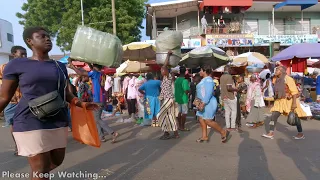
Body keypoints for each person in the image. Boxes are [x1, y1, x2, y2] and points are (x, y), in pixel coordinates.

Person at [0, 27, 99, 179]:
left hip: (57, 119)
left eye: (48, 36)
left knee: (57, 161)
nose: (47, 39)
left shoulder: (59, 66)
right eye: (42, 36)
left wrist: (81, 103)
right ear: (29, 41)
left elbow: (65, 92)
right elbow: (4, 97)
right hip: (29, 120)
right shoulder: (17, 65)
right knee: (40, 168)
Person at [69, 60, 119, 143]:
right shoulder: (101, 73)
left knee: (97, 119)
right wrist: (89, 63)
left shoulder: (95, 74)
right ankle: (101, 136)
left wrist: (71, 64)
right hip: (101, 99)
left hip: (97, 100)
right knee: (97, 118)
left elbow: (80, 73)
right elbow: (92, 70)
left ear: (95, 67)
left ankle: (112, 133)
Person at [262, 66, 306, 140]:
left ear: (282, 71)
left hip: (289, 101)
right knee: (273, 116)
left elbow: (294, 92)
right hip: (279, 102)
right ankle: (271, 132)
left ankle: (300, 133)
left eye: (277, 69)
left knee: (295, 117)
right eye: (275, 69)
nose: (275, 70)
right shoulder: (276, 79)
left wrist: (294, 104)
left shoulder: (288, 79)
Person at [0, 45, 27, 155]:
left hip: (25, 101)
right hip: (11, 102)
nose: (24, 56)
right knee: (13, 126)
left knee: (27, 124)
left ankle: (27, 145)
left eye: (25, 54)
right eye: (22, 54)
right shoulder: (4, 67)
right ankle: (18, 146)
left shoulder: (28, 67)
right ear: (13, 54)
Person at [195, 65, 231, 143]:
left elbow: (208, 93)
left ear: (205, 71)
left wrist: (203, 103)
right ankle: (204, 136)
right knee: (201, 119)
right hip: (201, 102)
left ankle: (223, 132)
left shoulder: (208, 80)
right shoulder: (204, 80)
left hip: (208, 103)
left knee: (208, 121)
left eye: (201, 70)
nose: (199, 72)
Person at [157, 51, 179, 140]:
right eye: (161, 70)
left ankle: (166, 132)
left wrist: (168, 55)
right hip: (166, 99)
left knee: (160, 115)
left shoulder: (169, 76)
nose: (161, 71)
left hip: (169, 99)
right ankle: (174, 133)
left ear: (166, 71)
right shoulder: (164, 78)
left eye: (163, 70)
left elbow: (165, 65)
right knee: (170, 116)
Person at [220, 65, 238, 131]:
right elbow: (229, 88)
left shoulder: (221, 77)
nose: (231, 70)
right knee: (233, 111)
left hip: (224, 96)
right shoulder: (229, 76)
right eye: (230, 69)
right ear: (229, 69)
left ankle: (228, 126)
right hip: (230, 96)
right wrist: (236, 90)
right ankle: (232, 126)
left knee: (227, 112)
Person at [174, 66, 190, 131]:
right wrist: (189, 91)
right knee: (184, 113)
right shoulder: (185, 80)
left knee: (179, 112)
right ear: (185, 72)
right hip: (184, 99)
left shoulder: (176, 80)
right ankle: (182, 126)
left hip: (177, 98)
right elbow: (186, 90)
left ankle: (179, 126)